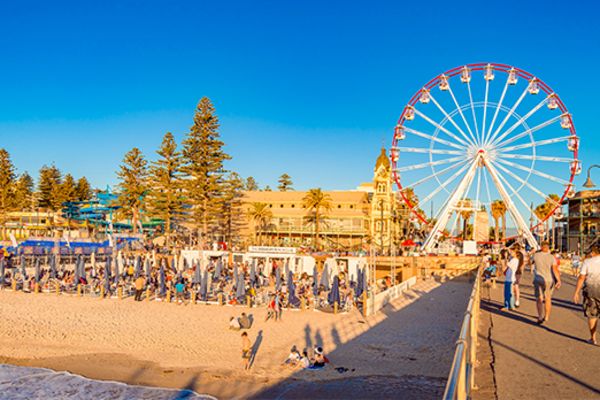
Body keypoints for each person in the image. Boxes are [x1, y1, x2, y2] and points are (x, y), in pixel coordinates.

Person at [573, 246, 600, 345]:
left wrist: (576, 292)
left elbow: (581, 277)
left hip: (591, 290)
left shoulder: (587, 262)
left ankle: (593, 338)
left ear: (593, 253)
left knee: (592, 315)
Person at [532, 241, 562, 324]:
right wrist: (558, 280)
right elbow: (555, 269)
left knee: (539, 299)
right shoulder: (552, 257)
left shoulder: (536, 255)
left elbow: (530, 262)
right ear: (548, 248)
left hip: (538, 279)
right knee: (548, 298)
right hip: (549, 280)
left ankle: (540, 316)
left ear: (541, 247)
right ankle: (547, 316)